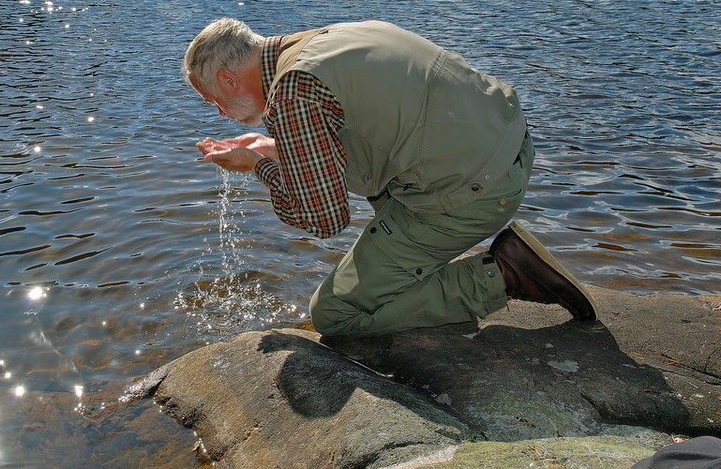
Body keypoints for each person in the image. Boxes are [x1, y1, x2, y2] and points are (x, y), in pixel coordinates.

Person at [183, 18, 598, 339]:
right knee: (382, 195)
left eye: (213, 101)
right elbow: (359, 139)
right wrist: (273, 146)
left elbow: (324, 220)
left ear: (228, 79)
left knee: (335, 314)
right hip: (510, 146)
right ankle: (426, 268)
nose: (220, 112)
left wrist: (256, 166)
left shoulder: (291, 94)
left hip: (475, 191)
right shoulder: (326, 40)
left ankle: (503, 275)